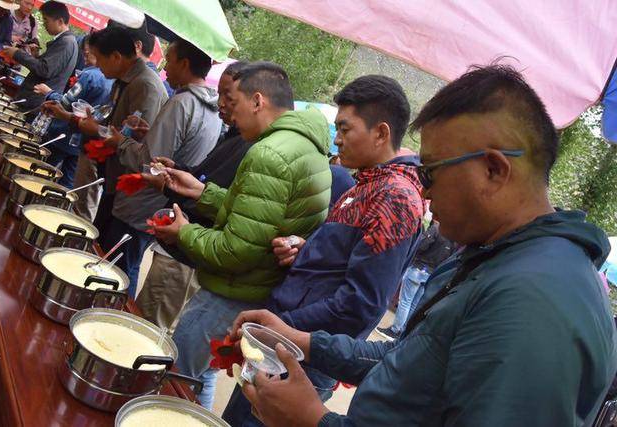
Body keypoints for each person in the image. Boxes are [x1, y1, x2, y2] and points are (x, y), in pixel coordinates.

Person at [226, 65, 617, 426]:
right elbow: (409, 360)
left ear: (494, 171)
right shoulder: (495, 258)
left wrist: (315, 421)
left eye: (430, 172)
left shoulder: (533, 299)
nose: (424, 191)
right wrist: (303, 341)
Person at [222, 75, 425, 426]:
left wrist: (285, 327)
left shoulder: (394, 198)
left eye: (346, 129)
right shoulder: (364, 183)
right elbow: (343, 262)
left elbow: (361, 302)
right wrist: (308, 250)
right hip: (288, 341)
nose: (337, 139)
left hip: (304, 357)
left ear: (381, 133)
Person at [154, 61, 332, 409]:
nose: (230, 114)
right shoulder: (308, 147)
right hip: (260, 287)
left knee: (176, 378)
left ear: (257, 101)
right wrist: (201, 193)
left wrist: (185, 233)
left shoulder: (269, 153)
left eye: (233, 102)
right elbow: (261, 220)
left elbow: (237, 249)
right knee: (203, 373)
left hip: (233, 290)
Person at [97, 38, 222, 298]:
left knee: (116, 269)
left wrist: (121, 141)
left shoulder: (182, 103)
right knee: (127, 262)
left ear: (185, 63)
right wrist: (149, 133)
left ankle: (107, 314)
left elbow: (150, 163)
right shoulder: (210, 108)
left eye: (170, 61)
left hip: (140, 203)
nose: (165, 69)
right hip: (160, 203)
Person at [136, 60, 252, 330]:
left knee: (147, 327)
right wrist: (179, 171)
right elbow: (207, 182)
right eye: (220, 93)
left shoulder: (252, 148)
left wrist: (167, 186)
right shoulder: (235, 136)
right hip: (181, 247)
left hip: (187, 254)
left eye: (229, 97)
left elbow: (220, 204)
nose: (220, 102)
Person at [43, 26, 168, 230]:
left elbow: (133, 140)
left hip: (125, 184)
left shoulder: (145, 86)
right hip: (110, 170)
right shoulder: (123, 80)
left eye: (99, 58)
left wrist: (97, 130)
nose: (97, 65)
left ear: (116, 57)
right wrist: (72, 117)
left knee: (97, 227)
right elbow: (114, 124)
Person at [34, 36, 113, 188]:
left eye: (88, 52)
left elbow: (66, 102)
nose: (85, 55)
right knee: (66, 184)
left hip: (62, 135)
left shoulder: (90, 75)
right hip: (81, 143)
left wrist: (49, 93)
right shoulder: (113, 82)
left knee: (40, 170)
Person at [377, 220, 460, 340]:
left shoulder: (436, 229)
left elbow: (421, 246)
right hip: (431, 273)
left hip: (419, 268)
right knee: (414, 304)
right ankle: (403, 331)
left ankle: (395, 329)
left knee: (405, 301)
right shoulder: (454, 239)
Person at [2, 1, 77, 114]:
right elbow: (49, 67)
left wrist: (17, 53)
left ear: (60, 21)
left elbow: (45, 70)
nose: (44, 24)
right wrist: (36, 56)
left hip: (36, 104)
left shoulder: (66, 42)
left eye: (46, 20)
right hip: (35, 102)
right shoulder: (66, 41)